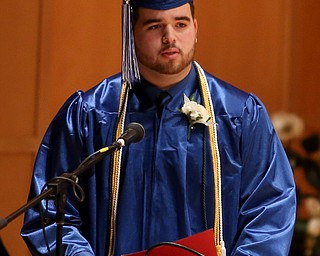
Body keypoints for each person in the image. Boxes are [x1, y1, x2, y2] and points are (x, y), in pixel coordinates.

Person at [21, 0, 296, 255]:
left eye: (181, 24)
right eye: (155, 25)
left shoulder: (238, 115)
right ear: (132, 33)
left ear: (195, 28)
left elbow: (269, 211)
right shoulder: (90, 114)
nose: (170, 37)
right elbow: (50, 215)